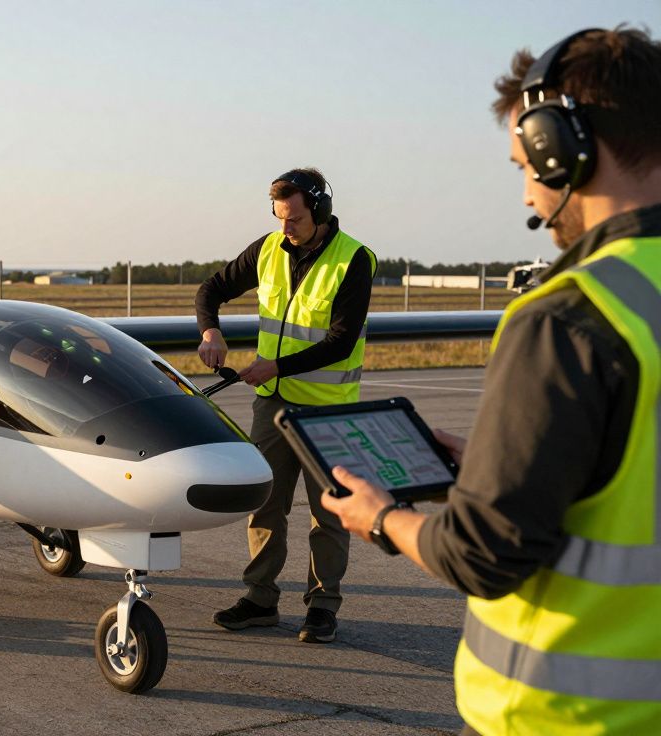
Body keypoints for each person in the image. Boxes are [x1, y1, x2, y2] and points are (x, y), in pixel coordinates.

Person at [323, 27, 661, 734]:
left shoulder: (570, 318)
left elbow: (485, 553)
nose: (530, 194)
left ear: (561, 148)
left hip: (569, 714)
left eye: (524, 166)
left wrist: (382, 518)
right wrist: (505, 468)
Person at [196, 168, 376, 643]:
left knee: (329, 514)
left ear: (320, 211)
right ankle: (260, 599)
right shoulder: (268, 249)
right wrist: (210, 331)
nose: (285, 228)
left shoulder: (354, 259)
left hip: (327, 409)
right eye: (279, 217)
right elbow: (210, 289)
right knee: (264, 505)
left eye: (294, 218)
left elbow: (340, 342)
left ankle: (322, 606)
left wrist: (275, 366)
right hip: (271, 407)